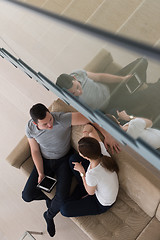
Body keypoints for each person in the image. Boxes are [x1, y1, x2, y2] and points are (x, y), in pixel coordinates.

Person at [22, 103, 120, 237]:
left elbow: (91, 118)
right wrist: (40, 172)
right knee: (26, 196)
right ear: (35, 123)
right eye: (45, 124)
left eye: (50, 119)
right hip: (45, 160)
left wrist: (107, 135)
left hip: (63, 160)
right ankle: (50, 201)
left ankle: (49, 216)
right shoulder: (30, 129)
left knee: (62, 200)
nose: (50, 125)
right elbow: (34, 150)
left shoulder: (62, 119)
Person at [60, 124, 119, 217]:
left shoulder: (92, 174)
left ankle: (81, 189)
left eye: (80, 152)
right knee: (73, 159)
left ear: (86, 157)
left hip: (102, 203)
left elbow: (90, 192)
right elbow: (89, 127)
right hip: (98, 184)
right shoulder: (102, 151)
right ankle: (81, 188)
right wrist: (85, 136)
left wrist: (82, 173)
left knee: (64, 210)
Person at [56, 57, 147, 113]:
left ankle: (140, 83)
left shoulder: (78, 73)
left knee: (142, 61)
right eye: (73, 93)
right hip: (110, 105)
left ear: (75, 78)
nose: (78, 92)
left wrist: (122, 79)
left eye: (77, 87)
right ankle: (144, 87)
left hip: (110, 88)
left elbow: (99, 77)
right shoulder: (72, 101)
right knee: (144, 95)